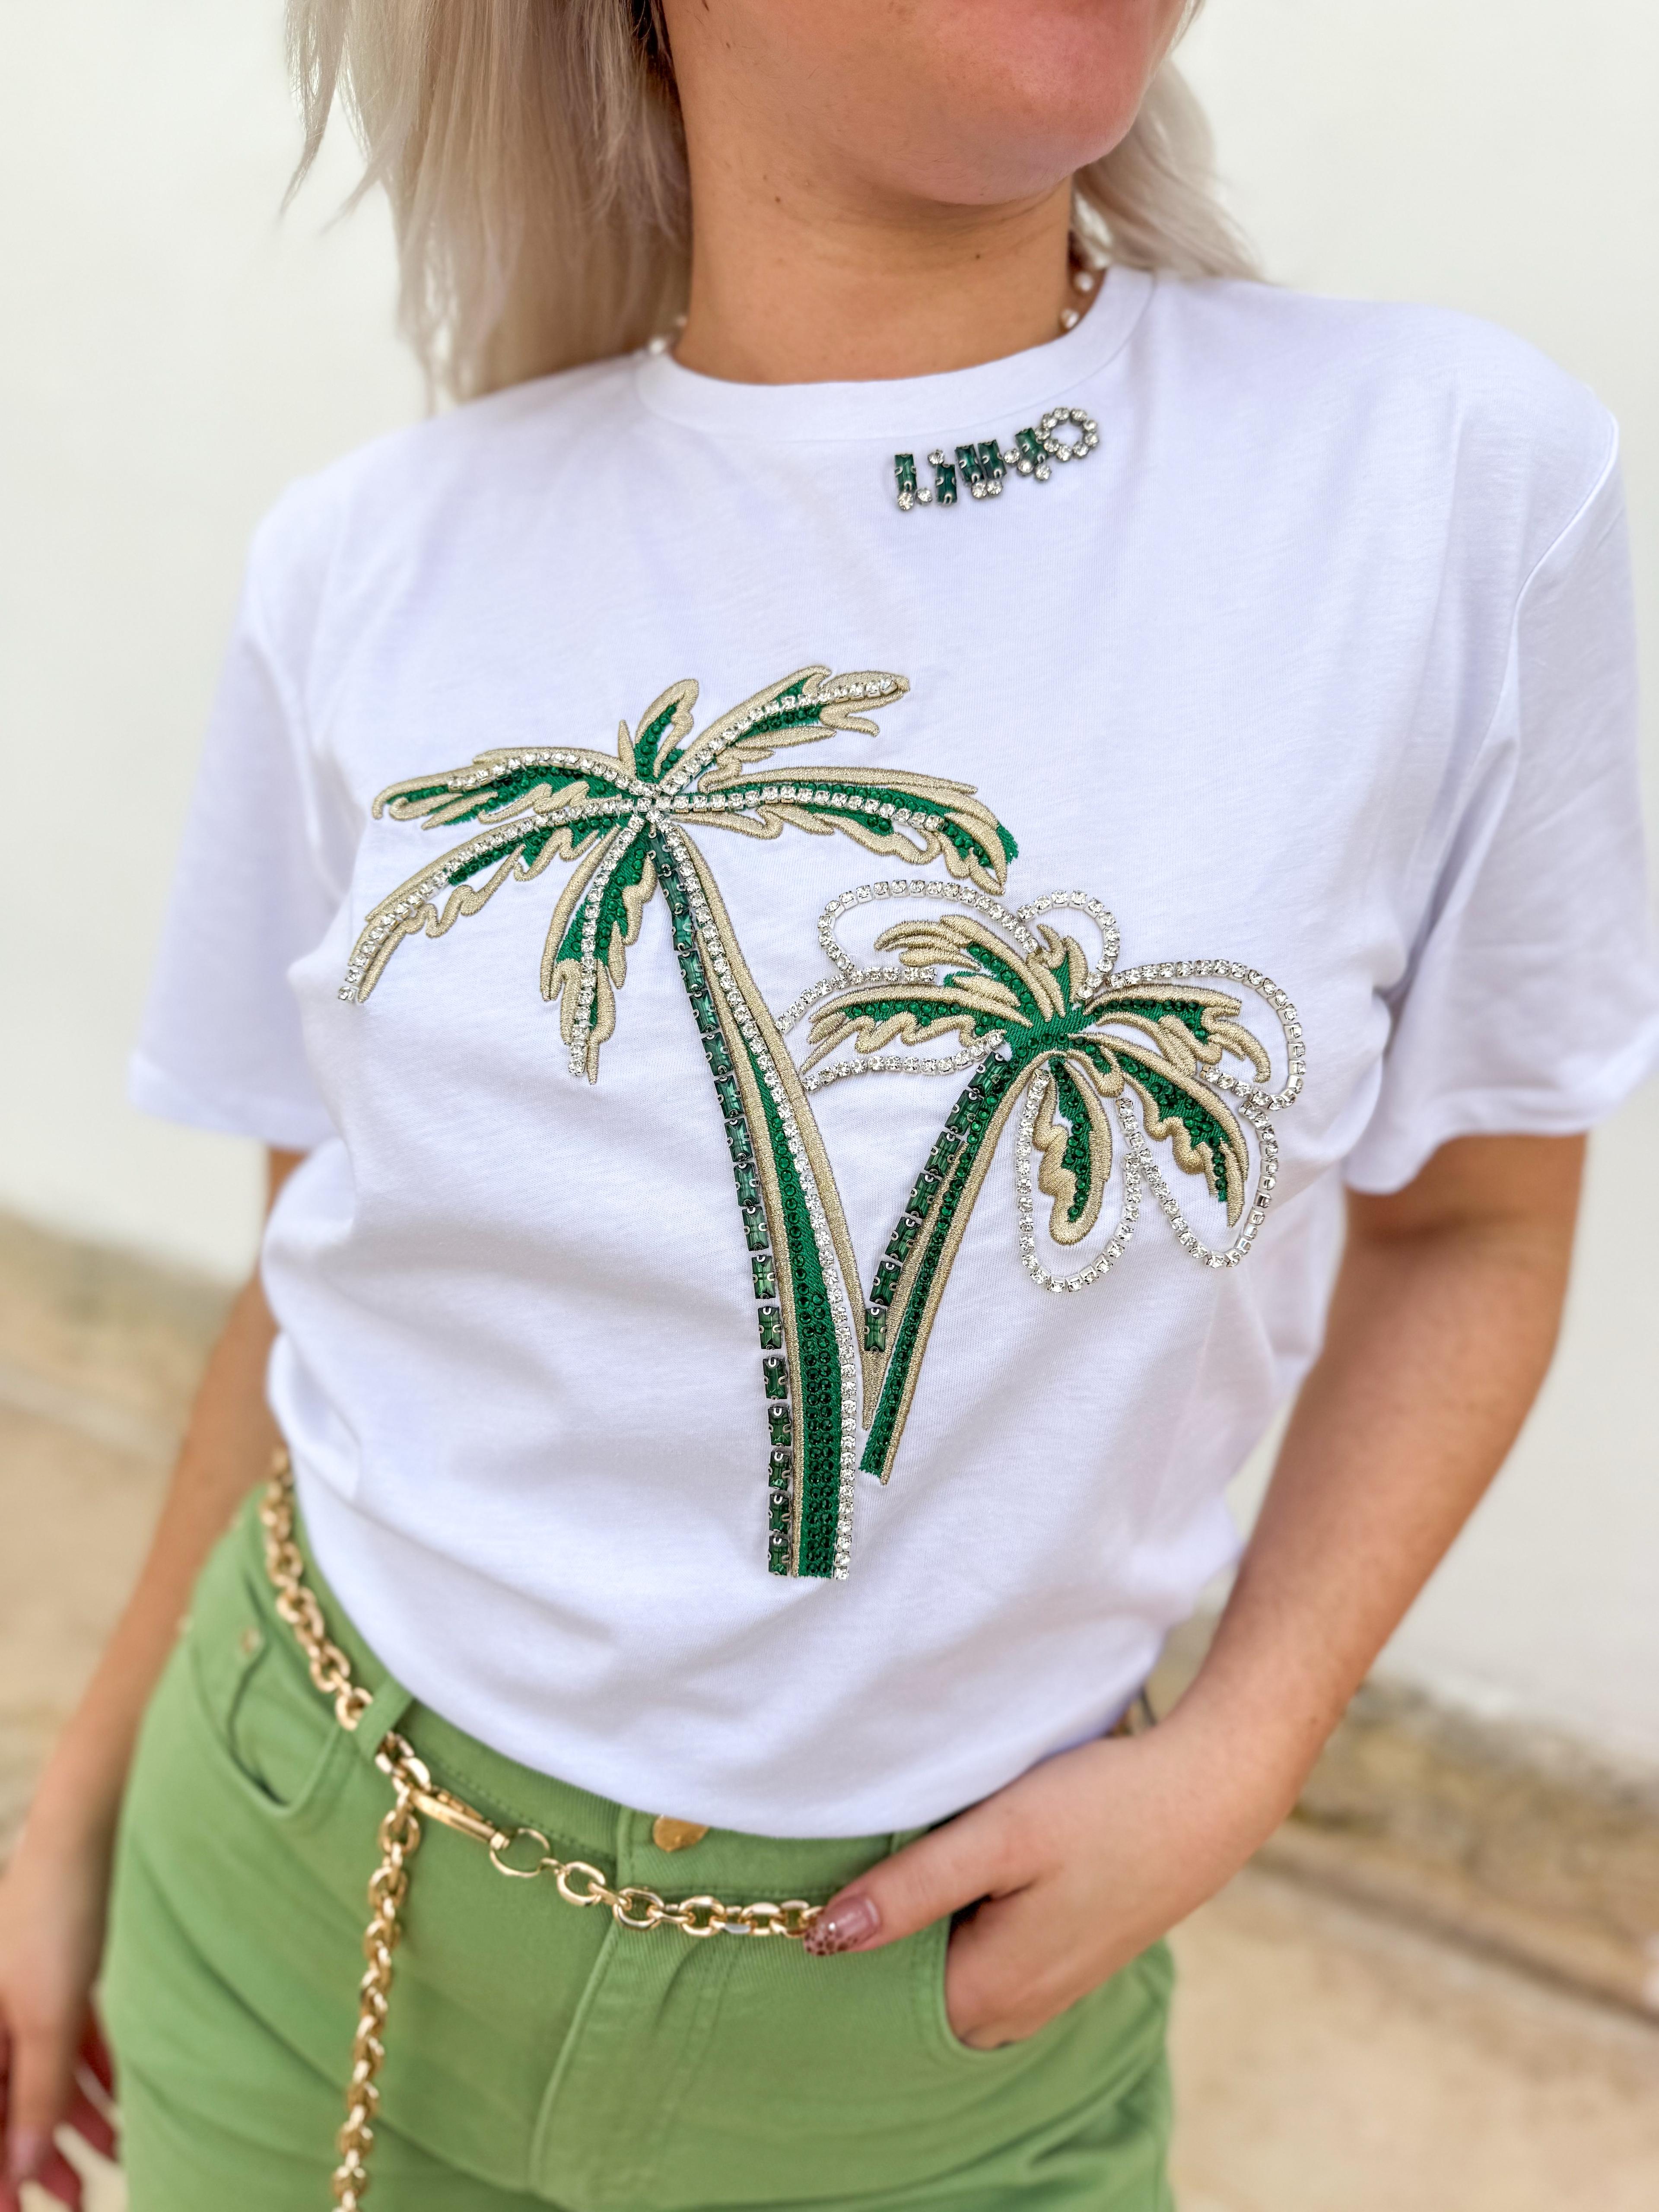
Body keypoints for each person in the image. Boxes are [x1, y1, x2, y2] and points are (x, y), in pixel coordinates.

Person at [4, 1, 1657, 2205]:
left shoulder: (1445, 485)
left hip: (936, 2052)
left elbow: (1477, 1226)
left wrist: (1247, 1751)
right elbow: (316, 1281)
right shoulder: (371, 559)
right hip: (306, 1906)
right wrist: (79, 1800)